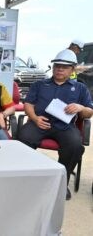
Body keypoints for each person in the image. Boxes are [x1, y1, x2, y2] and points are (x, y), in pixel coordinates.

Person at [18, 49, 93, 200]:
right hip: (40, 123)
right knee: (22, 139)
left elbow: (89, 112)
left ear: (72, 69)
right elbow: (28, 104)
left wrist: (80, 108)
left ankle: (61, 183)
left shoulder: (80, 87)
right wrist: (34, 118)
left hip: (65, 127)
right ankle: (24, 179)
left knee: (75, 146)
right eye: (57, 66)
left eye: (64, 67)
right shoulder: (40, 84)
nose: (59, 69)